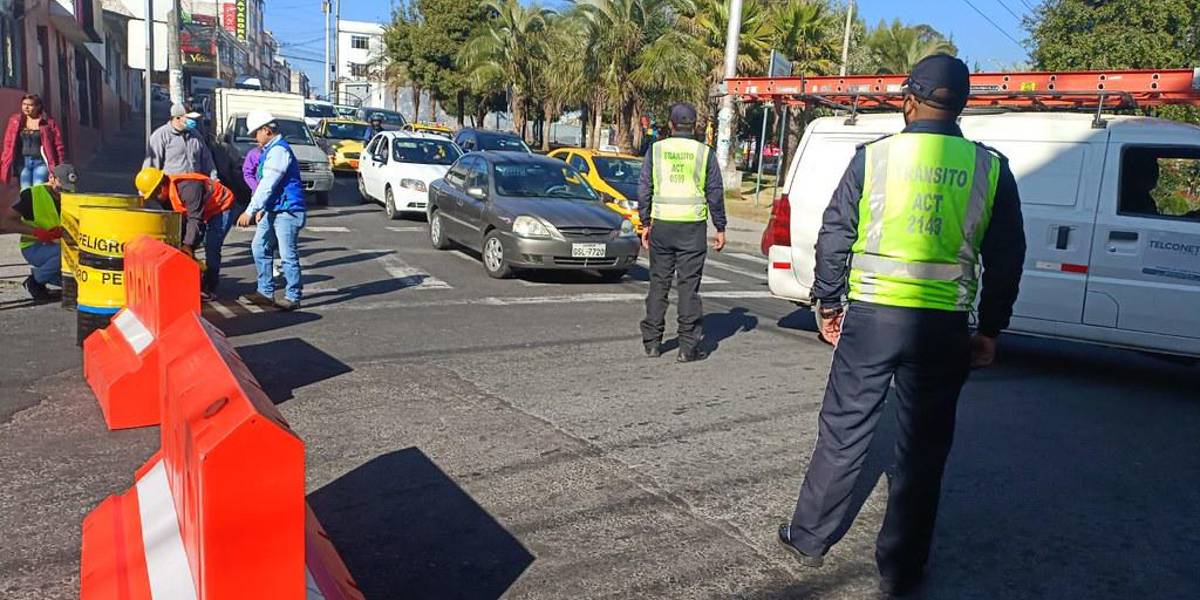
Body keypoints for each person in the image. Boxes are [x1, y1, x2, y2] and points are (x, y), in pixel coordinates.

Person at [774, 54, 1026, 597]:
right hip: (943, 328)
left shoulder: (876, 158)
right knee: (923, 449)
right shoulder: (990, 167)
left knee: (843, 431)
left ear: (909, 100)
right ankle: (903, 568)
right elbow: (1007, 256)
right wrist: (991, 330)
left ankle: (810, 538)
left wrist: (827, 302)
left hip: (871, 318)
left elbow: (835, 232)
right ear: (961, 106)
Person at [637, 103, 727, 362]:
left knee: (659, 285)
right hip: (692, 229)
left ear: (671, 125)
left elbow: (645, 189)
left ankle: (652, 343)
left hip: (662, 226)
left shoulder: (657, 150)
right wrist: (720, 227)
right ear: (695, 125)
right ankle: (687, 348)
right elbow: (715, 192)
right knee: (688, 288)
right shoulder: (704, 153)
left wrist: (645, 223)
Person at [237, 110, 306, 311]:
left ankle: (293, 295)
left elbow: (268, 183)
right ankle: (265, 292)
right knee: (259, 247)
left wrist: (250, 210)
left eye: (255, 134)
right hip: (274, 208)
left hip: (287, 211)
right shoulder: (270, 150)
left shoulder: (278, 152)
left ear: (266, 130)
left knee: (287, 254)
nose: (254, 139)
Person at [134, 166, 235, 299]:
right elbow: (178, 220)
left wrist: (187, 245)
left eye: (154, 195)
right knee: (184, 245)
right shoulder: (165, 195)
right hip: (202, 210)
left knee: (212, 246)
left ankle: (210, 288)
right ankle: (192, 281)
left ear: (161, 187)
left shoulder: (189, 189)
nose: (154, 200)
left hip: (221, 206)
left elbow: (194, 219)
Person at [0, 164, 77, 301]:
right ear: (51, 178)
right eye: (60, 188)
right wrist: (36, 232)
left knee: (74, 279)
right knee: (65, 254)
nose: (62, 194)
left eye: (67, 190)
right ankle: (35, 281)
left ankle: (51, 279)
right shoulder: (32, 195)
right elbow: (6, 223)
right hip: (34, 246)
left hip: (57, 244)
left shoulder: (71, 195)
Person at [1, 94, 66, 189]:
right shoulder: (15, 121)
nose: (26, 107)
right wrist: (5, 162)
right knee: (25, 191)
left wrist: (59, 168)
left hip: (41, 163)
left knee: (38, 188)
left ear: (38, 106)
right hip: (23, 163)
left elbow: (58, 145)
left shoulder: (47, 123)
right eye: (24, 104)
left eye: (30, 105)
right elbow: (8, 143)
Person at [143, 103, 218, 180]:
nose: (193, 120)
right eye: (189, 118)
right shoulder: (160, 136)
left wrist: (214, 179)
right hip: (172, 188)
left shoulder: (196, 135)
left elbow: (207, 160)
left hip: (195, 187)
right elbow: (151, 165)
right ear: (177, 118)